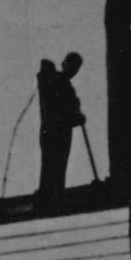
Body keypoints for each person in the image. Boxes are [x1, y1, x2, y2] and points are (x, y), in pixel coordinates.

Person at [37, 52, 85, 205]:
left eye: (76, 68)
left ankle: (54, 196)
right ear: (65, 64)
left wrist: (76, 115)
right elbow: (58, 113)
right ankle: (50, 198)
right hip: (54, 133)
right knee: (52, 165)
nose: (74, 70)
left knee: (57, 166)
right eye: (72, 65)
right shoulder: (57, 83)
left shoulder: (64, 86)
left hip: (60, 134)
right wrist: (76, 117)